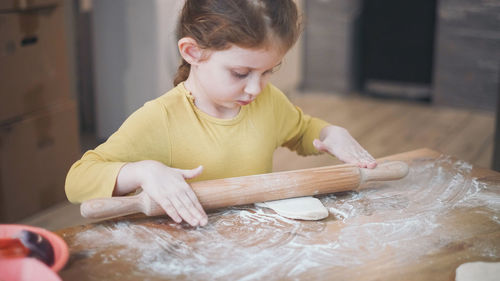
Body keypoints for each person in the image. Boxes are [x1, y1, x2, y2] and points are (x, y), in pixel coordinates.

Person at [65, 0, 377, 227]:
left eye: (269, 71)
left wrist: (327, 133)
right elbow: (78, 180)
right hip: (189, 254)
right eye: (241, 73)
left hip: (255, 243)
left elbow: (301, 130)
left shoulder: (268, 102)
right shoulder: (161, 119)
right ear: (192, 52)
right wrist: (143, 171)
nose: (256, 88)